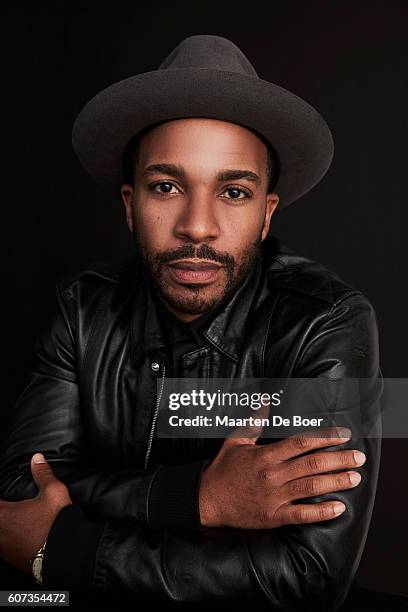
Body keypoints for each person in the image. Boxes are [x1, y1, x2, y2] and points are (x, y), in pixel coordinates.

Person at [0, 35, 382, 610]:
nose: (197, 227)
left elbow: (308, 579)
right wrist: (196, 500)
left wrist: (62, 552)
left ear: (264, 215)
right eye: (167, 186)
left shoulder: (324, 323)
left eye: (233, 191)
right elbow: (16, 492)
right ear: (130, 203)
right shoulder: (83, 308)